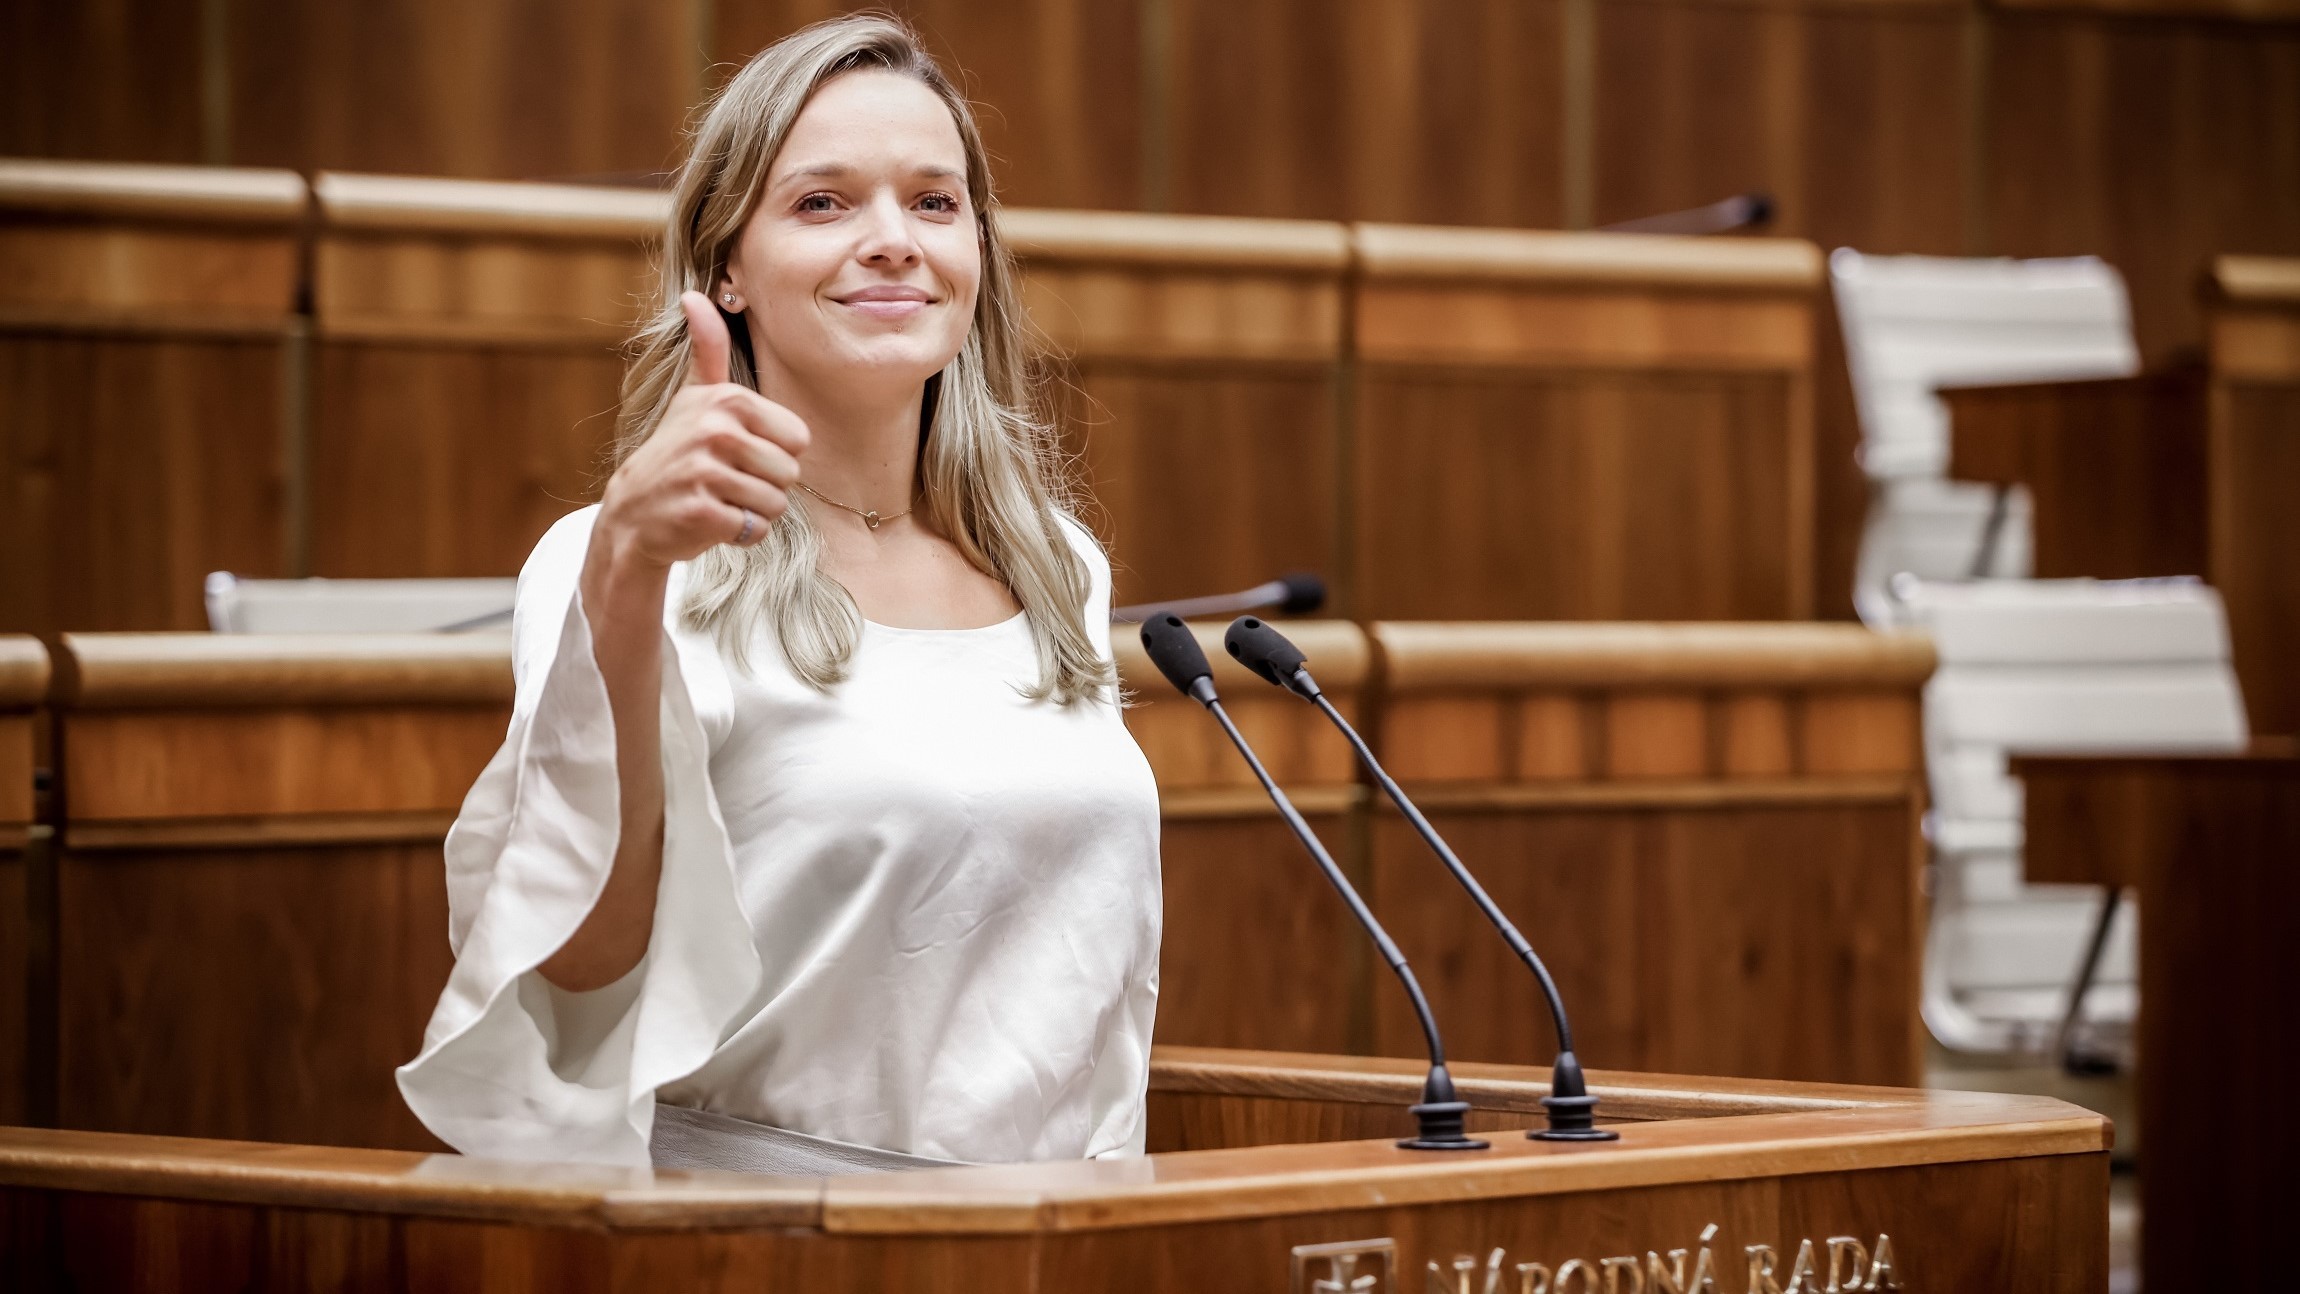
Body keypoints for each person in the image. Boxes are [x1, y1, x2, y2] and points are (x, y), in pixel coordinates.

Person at [396, 14, 1161, 1174]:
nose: (893, 241)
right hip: (763, 1234)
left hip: (1074, 1227)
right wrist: (625, 573)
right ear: (724, 271)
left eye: (934, 202)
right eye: (823, 203)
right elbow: (579, 964)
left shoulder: (1053, 563)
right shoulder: (630, 559)